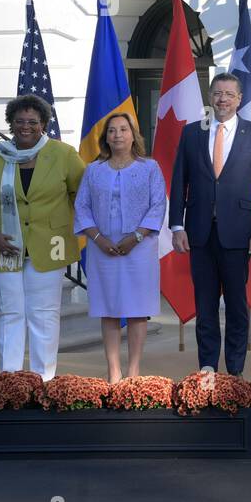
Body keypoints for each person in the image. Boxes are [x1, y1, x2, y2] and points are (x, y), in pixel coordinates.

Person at [0, 95, 85, 380]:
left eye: (32, 122)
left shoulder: (64, 154)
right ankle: (9, 380)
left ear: (43, 124)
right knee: (10, 313)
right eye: (19, 121)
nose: (26, 127)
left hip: (50, 246)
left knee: (44, 314)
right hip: (5, 246)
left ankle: (42, 379)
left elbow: (81, 194)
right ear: (11, 123)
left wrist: (64, 224)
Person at [168, 72, 251, 378]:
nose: (223, 99)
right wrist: (176, 226)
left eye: (229, 94)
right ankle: (208, 370)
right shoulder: (192, 134)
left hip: (239, 233)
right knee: (206, 307)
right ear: (210, 98)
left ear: (239, 99)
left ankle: (235, 372)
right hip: (199, 233)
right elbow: (178, 182)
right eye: (217, 93)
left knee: (238, 308)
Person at [74, 113, 167, 384]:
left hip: (139, 248)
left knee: (138, 308)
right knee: (109, 307)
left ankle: (134, 370)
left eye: (123, 130)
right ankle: (114, 371)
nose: (117, 135)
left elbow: (158, 205)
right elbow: (81, 206)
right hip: (102, 248)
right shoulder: (94, 170)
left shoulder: (150, 168)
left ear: (133, 135)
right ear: (105, 137)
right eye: (112, 131)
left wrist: (136, 237)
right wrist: (98, 238)